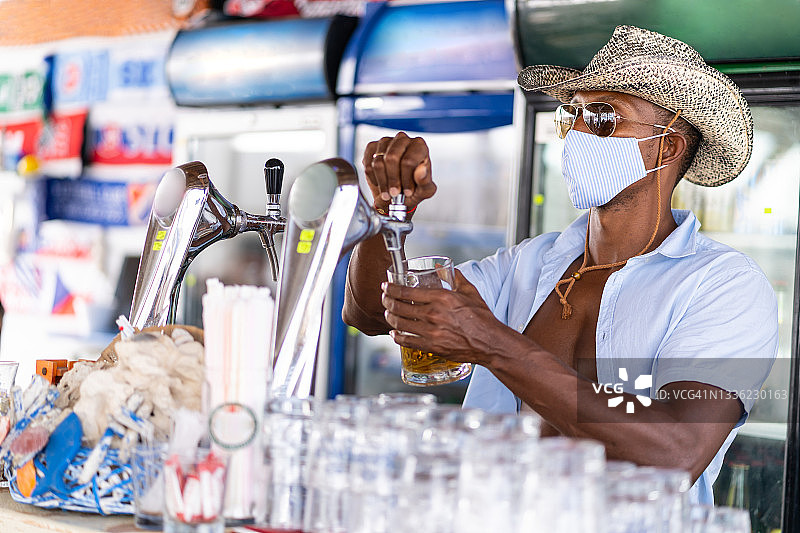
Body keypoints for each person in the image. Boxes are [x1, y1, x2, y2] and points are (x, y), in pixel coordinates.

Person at [342, 25, 777, 504]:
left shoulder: (722, 286)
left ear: (667, 147)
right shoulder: (528, 263)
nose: (579, 135)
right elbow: (370, 315)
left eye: (604, 118)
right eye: (573, 115)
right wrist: (386, 211)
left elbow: (676, 451)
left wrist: (492, 343)